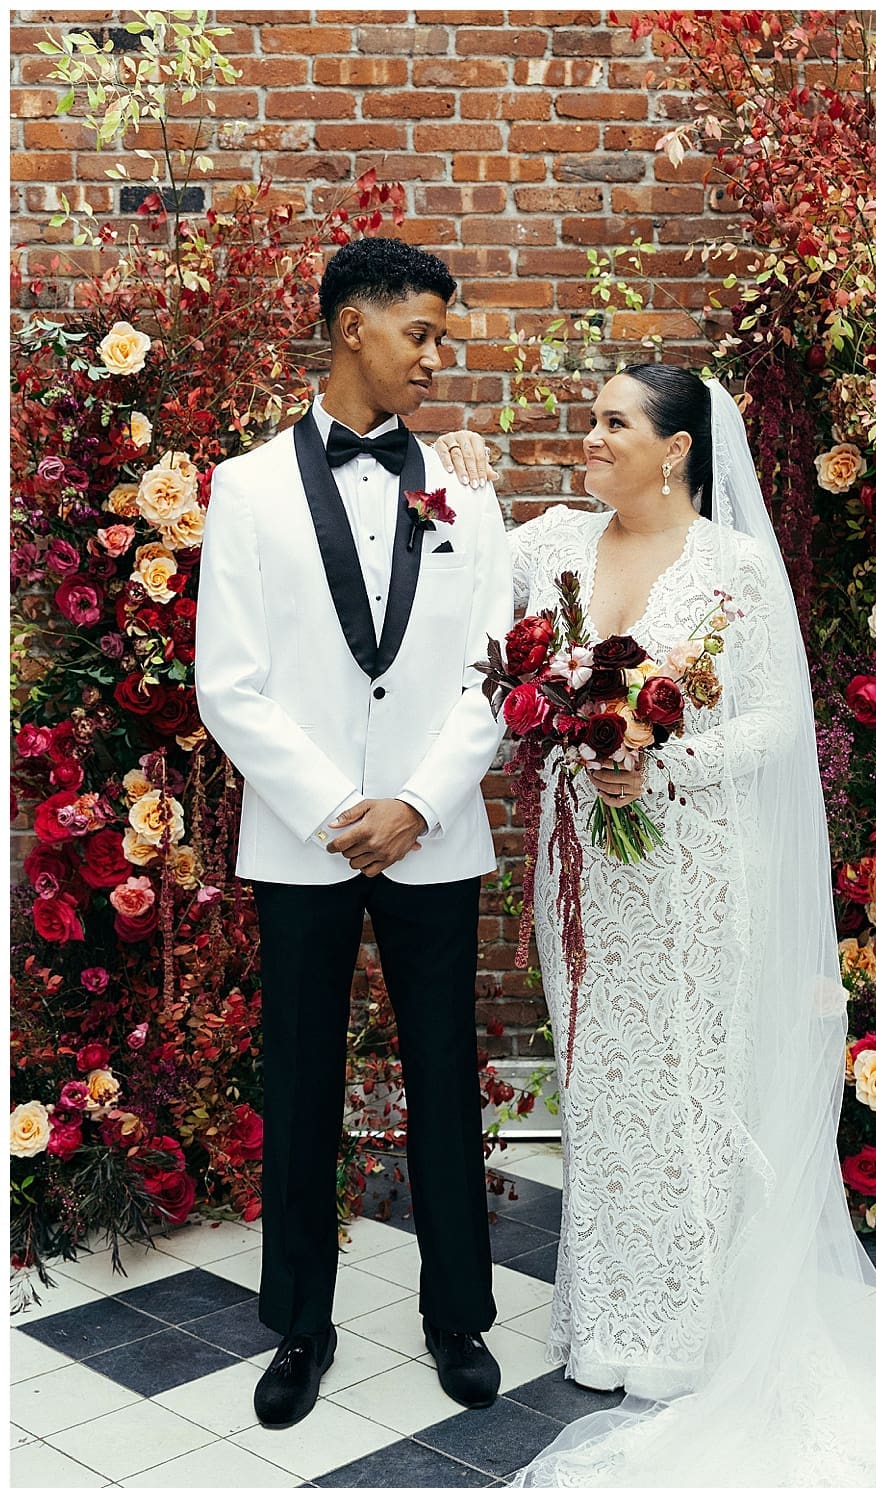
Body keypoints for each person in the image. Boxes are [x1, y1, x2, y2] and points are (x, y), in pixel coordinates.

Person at [473, 365, 876, 1484]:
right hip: (584, 878)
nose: (591, 436)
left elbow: (775, 724)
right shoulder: (547, 547)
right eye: (593, 419)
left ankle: (698, 1329)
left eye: (614, 422)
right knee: (602, 1083)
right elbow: (459, 569)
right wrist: (458, 468)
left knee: (693, 1081)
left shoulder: (732, 569)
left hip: (697, 871)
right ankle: (609, 1320)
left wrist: (660, 762)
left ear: (675, 450)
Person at [194, 237, 508, 1428]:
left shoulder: (467, 485)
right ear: (350, 328)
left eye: (442, 336)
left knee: (443, 1078)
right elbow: (229, 681)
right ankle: (298, 1326)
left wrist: (416, 803)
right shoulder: (245, 487)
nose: (436, 355)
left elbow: (495, 667)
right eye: (420, 332)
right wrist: (342, 811)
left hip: (434, 832)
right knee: (300, 1079)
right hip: (304, 839)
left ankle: (458, 1316)